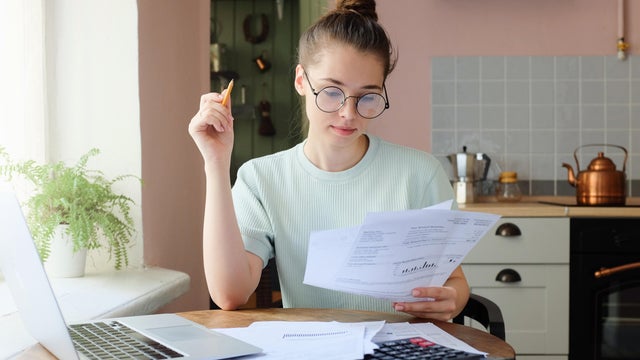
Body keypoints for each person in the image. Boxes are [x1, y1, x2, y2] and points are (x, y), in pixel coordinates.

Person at [188, 0, 470, 321]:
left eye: (367, 96)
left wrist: (453, 299)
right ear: (301, 81)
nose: (349, 113)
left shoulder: (421, 174)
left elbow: (455, 281)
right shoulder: (261, 178)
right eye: (332, 92)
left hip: (401, 345)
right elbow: (230, 294)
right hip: (312, 346)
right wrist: (215, 161)